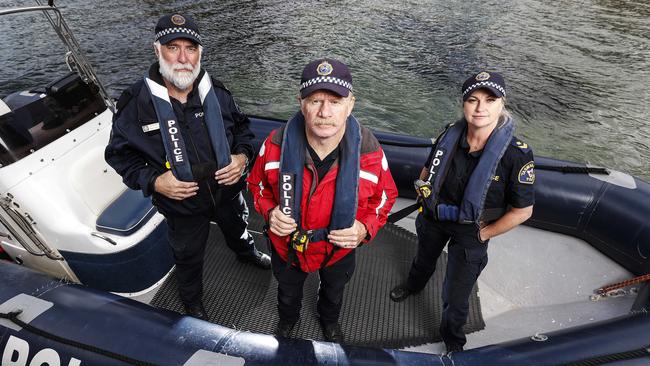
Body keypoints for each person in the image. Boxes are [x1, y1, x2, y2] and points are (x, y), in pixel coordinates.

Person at [105, 13, 271, 320]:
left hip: (228, 193)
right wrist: (155, 182)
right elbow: (118, 156)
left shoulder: (218, 93)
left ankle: (246, 252)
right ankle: (191, 301)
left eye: (191, 48)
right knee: (187, 257)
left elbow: (244, 132)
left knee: (238, 228)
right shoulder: (135, 104)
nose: (183, 57)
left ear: (200, 53)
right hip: (182, 206)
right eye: (173, 47)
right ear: (157, 50)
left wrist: (242, 158)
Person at [247, 58, 398, 343]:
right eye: (315, 101)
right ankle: (288, 320)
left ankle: (329, 321)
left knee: (334, 290)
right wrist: (269, 213)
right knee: (287, 292)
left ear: (351, 104)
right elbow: (256, 185)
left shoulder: (369, 151)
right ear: (301, 103)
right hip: (287, 247)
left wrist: (364, 228)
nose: (324, 112)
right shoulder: (275, 145)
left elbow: (385, 196)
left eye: (335, 101)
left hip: (338, 250)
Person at [389, 71, 535, 353]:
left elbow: (522, 211)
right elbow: (427, 170)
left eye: (490, 100)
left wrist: (485, 233)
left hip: (473, 229)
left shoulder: (517, 155)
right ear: (463, 104)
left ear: (501, 104)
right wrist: (424, 194)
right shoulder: (449, 135)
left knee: (457, 294)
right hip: (435, 217)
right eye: (473, 100)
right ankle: (413, 285)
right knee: (423, 258)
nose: (480, 108)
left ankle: (453, 341)